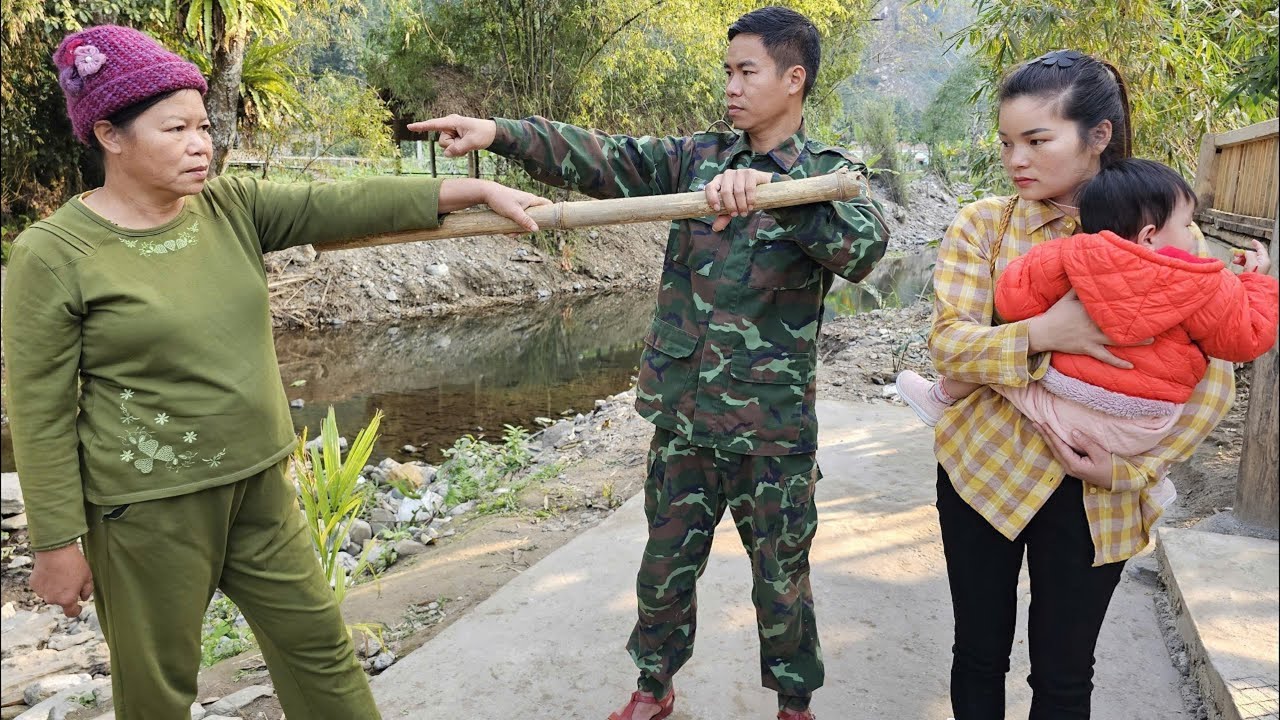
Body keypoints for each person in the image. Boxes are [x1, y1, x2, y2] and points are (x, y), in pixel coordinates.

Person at [2, 24, 549, 720]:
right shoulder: (53, 254)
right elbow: (40, 409)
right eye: (176, 129)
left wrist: (471, 191)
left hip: (259, 487)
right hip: (146, 510)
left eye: (204, 126)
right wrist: (56, 542)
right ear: (110, 135)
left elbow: (342, 204)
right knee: (157, 690)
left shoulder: (230, 207)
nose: (201, 144)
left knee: (320, 652)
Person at [414, 7, 887, 720]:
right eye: (727, 72)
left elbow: (864, 250)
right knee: (664, 570)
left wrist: (783, 203)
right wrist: (501, 133)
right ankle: (653, 687)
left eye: (747, 72)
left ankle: (795, 703)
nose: (731, 87)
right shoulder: (699, 159)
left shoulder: (828, 174)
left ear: (794, 79)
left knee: (782, 580)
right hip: (684, 422)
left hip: (772, 432)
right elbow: (604, 157)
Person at [927, 49, 1239, 718]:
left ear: (1098, 135)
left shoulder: (1171, 232)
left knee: (1066, 677)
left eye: (1037, 140)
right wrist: (1043, 334)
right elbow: (948, 345)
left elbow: (1212, 384)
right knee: (977, 653)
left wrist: (1130, 470)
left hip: (1099, 494)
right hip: (983, 469)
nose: (1016, 159)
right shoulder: (986, 226)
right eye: (1007, 142)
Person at [898, 159, 1277, 511]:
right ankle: (1155, 480)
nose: (1193, 237)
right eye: (1187, 225)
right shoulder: (1206, 282)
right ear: (1149, 235)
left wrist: (1041, 300)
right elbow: (1246, 339)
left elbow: (1012, 301)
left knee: (999, 372)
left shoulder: (1071, 253)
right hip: (1145, 426)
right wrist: (1253, 283)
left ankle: (939, 396)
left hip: (1066, 405)